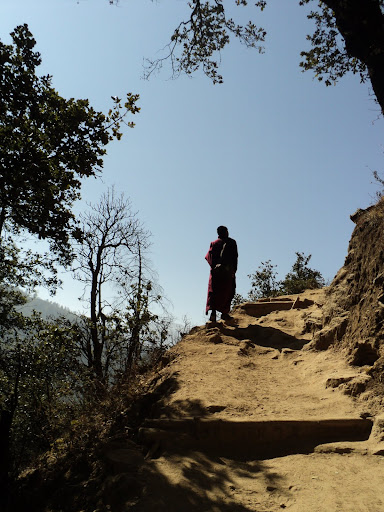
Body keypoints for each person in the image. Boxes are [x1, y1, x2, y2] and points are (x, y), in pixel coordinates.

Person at [205, 226, 238, 322]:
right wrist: (233, 270)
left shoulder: (214, 243)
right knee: (227, 292)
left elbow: (208, 257)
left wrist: (214, 267)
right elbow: (234, 257)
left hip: (215, 273)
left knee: (214, 292)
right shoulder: (231, 242)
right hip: (227, 273)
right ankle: (224, 313)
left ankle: (213, 314)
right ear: (226, 232)